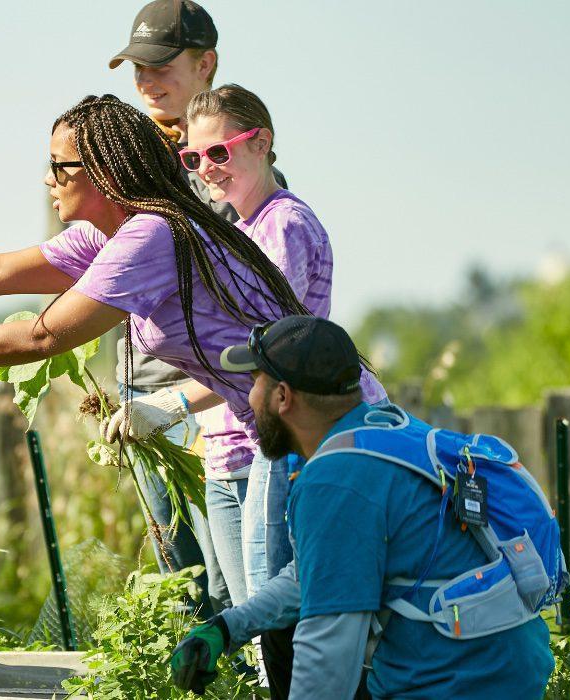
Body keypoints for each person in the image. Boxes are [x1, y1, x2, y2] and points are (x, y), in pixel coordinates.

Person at [0, 97, 383, 543]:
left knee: (290, 620)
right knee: (278, 620)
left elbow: (45, 334)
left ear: (103, 172)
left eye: (58, 167)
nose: (47, 179)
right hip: (285, 429)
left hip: (328, 426)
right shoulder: (112, 235)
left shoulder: (151, 235)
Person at [111, 83, 351, 694]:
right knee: (244, 612)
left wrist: (169, 404)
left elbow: (273, 357)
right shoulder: (238, 231)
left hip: (280, 444)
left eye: (219, 152)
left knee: (273, 619)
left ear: (262, 143)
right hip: (232, 443)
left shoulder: (283, 226)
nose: (205, 169)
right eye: (192, 159)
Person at [170, 316, 554, 698]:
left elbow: (328, 656)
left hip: (450, 684)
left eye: (254, 382)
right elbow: (315, 573)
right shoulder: (387, 432)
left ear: (283, 397)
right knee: (279, 633)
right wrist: (227, 628)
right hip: (507, 670)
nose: (248, 398)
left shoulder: (335, 480)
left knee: (296, 642)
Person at [104, 0, 299, 618]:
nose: (146, 81)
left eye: (161, 65)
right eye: (137, 68)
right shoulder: (136, 161)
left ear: (207, 64)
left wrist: (175, 405)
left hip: (205, 404)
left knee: (227, 587)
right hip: (141, 397)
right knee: (179, 583)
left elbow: (261, 317)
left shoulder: (225, 169)